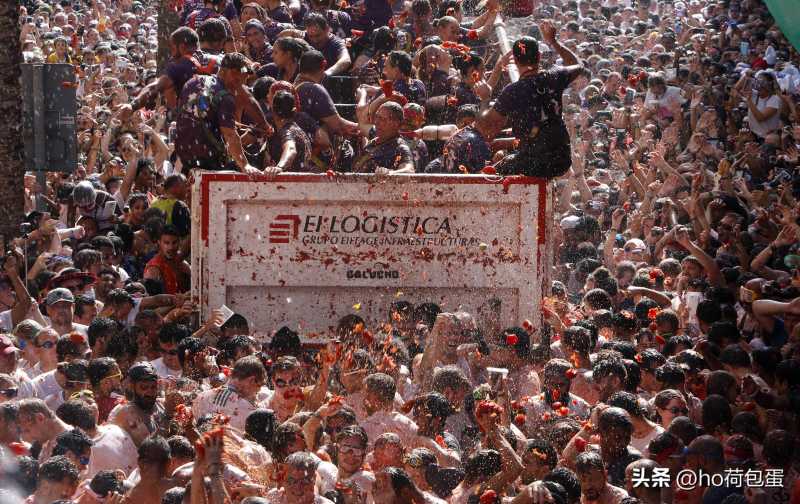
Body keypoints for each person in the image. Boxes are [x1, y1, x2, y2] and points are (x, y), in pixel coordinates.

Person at [478, 22, 584, 178]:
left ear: (515, 60)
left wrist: (485, 99)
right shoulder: (554, 76)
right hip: (561, 159)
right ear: (539, 56)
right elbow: (577, 65)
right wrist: (553, 42)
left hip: (533, 162)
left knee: (489, 176)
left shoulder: (512, 91)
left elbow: (485, 126)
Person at [174, 52, 264, 174]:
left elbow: (198, 112)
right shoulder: (225, 97)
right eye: (242, 80)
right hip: (207, 161)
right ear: (233, 73)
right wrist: (245, 165)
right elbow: (230, 135)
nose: (240, 86)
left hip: (182, 156)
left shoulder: (193, 81)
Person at [192, 355, 267, 430]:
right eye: (259, 385)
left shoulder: (202, 396)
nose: (258, 391)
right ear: (251, 380)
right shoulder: (249, 411)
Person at [143, 225, 191, 295]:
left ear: (179, 242)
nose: (171, 247)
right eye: (166, 243)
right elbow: (153, 299)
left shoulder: (184, 265)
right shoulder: (153, 269)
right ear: (159, 243)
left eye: (174, 243)